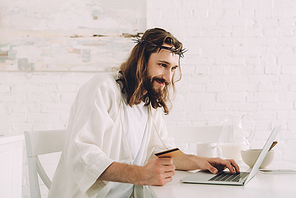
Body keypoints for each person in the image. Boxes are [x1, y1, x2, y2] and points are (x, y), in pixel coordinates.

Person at [48, 28, 239, 198]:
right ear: (142, 60)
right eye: (162, 65)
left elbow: (164, 151)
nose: (168, 77)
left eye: (173, 68)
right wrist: (138, 174)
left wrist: (203, 162)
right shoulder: (102, 88)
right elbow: (81, 154)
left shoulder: (148, 103)